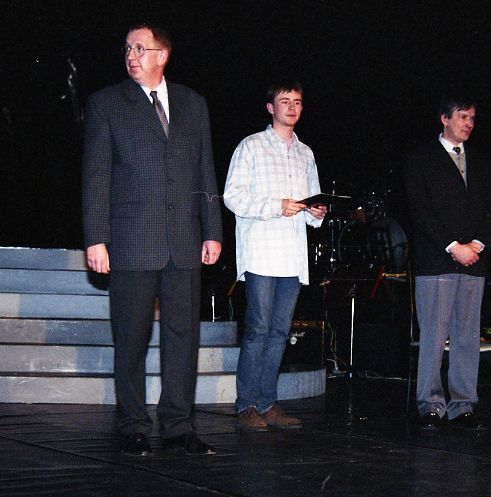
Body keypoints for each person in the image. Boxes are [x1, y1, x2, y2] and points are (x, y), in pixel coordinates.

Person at [81, 22, 223, 456]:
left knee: (183, 339)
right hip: (131, 241)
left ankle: (179, 425)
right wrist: (96, 238)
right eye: (127, 48)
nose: (131, 55)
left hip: (183, 241)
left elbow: (205, 171)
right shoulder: (106, 103)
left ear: (163, 55)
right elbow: (96, 176)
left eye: (140, 48)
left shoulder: (193, 103)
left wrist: (213, 230)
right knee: (131, 339)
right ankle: (133, 425)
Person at [223, 82, 327, 431]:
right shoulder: (251, 146)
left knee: (280, 332)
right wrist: (276, 206)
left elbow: (313, 208)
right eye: (285, 101)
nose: (292, 107)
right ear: (271, 108)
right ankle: (246, 405)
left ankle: (268, 403)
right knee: (258, 329)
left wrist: (317, 212)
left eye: (297, 101)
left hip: (292, 256)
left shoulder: (306, 153)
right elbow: (233, 197)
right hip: (261, 252)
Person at [402, 97, 491, 430]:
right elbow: (420, 210)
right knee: (434, 336)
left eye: (472, 118)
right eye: (462, 117)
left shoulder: (481, 161)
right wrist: (452, 246)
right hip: (437, 261)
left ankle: (463, 405)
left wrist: (478, 244)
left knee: (467, 336)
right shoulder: (420, 159)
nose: (469, 123)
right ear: (444, 118)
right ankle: (431, 405)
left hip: (473, 261)